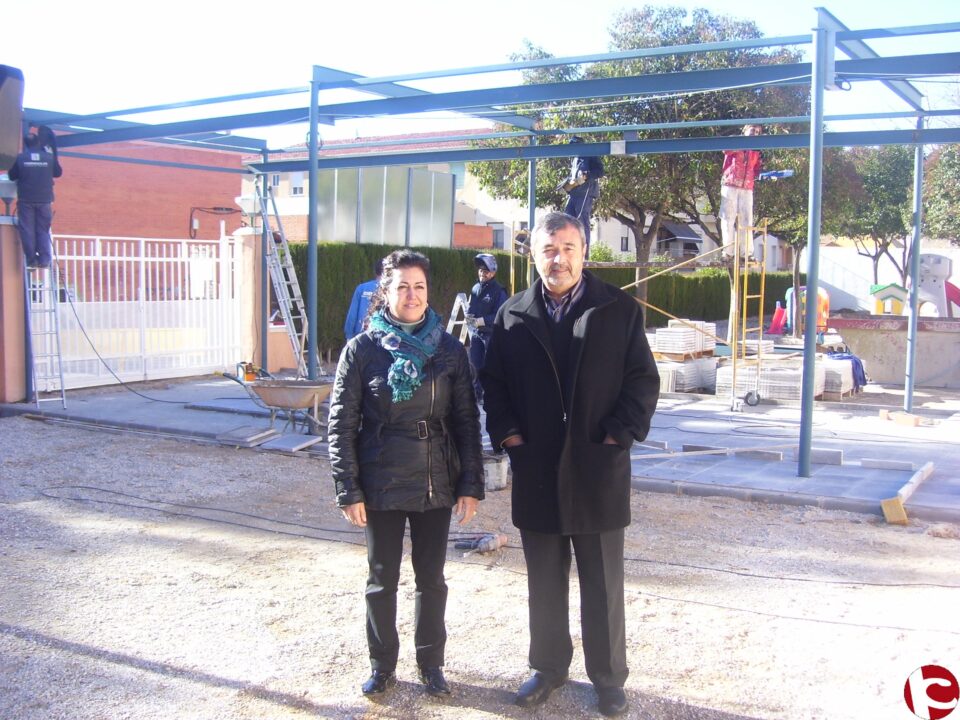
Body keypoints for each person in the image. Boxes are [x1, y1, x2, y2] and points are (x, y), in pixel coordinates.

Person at [480, 212, 660, 718]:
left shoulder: (618, 309)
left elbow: (643, 382)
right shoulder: (512, 314)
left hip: (597, 466)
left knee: (602, 584)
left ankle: (609, 678)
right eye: (548, 250)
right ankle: (548, 668)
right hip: (536, 466)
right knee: (544, 580)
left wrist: (617, 436)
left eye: (567, 248)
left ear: (583, 252)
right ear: (533, 256)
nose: (557, 259)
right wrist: (511, 438)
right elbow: (493, 383)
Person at [327, 249, 484, 699]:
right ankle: (382, 666)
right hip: (380, 479)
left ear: (427, 291)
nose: (412, 295)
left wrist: (470, 484)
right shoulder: (362, 350)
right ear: (385, 292)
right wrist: (348, 488)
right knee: (382, 580)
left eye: (419, 286)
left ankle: (431, 664)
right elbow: (341, 424)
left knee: (431, 579)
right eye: (402, 287)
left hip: (435, 478)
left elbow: (466, 421)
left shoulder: (450, 350)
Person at [8, 126, 62, 269]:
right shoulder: (48, 158)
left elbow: (11, 176)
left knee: (27, 230)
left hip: (26, 200)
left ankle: (32, 260)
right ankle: (44, 260)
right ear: (38, 143)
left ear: (26, 144)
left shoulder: (20, 158)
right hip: (45, 200)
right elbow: (58, 173)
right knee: (43, 229)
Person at [465, 253, 508, 403]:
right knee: (475, 365)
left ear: (493, 272)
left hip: (491, 336)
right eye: (480, 270)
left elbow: (500, 314)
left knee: (490, 367)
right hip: (477, 334)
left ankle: (491, 395)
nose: (482, 273)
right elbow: (471, 308)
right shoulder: (475, 288)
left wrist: (481, 321)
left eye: (486, 271)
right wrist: (469, 317)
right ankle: (476, 395)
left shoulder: (499, 291)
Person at [719, 124, 763, 260]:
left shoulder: (756, 149)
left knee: (747, 220)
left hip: (747, 187)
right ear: (745, 130)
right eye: (752, 130)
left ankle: (747, 253)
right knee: (728, 218)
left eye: (757, 132)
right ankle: (728, 252)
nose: (755, 133)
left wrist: (764, 174)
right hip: (730, 184)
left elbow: (757, 167)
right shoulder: (736, 140)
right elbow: (725, 150)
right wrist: (742, 144)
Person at [560, 136, 604, 258]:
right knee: (567, 220)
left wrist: (587, 175)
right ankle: (570, 251)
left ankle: (585, 255)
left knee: (582, 222)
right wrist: (566, 185)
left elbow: (600, 171)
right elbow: (573, 176)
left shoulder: (590, 154)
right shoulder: (574, 158)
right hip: (574, 193)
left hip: (585, 193)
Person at [343, 258, 383, 339]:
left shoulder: (362, 288)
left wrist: (349, 336)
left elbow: (352, 313)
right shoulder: (391, 290)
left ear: (375, 272)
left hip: (360, 336)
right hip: (382, 336)